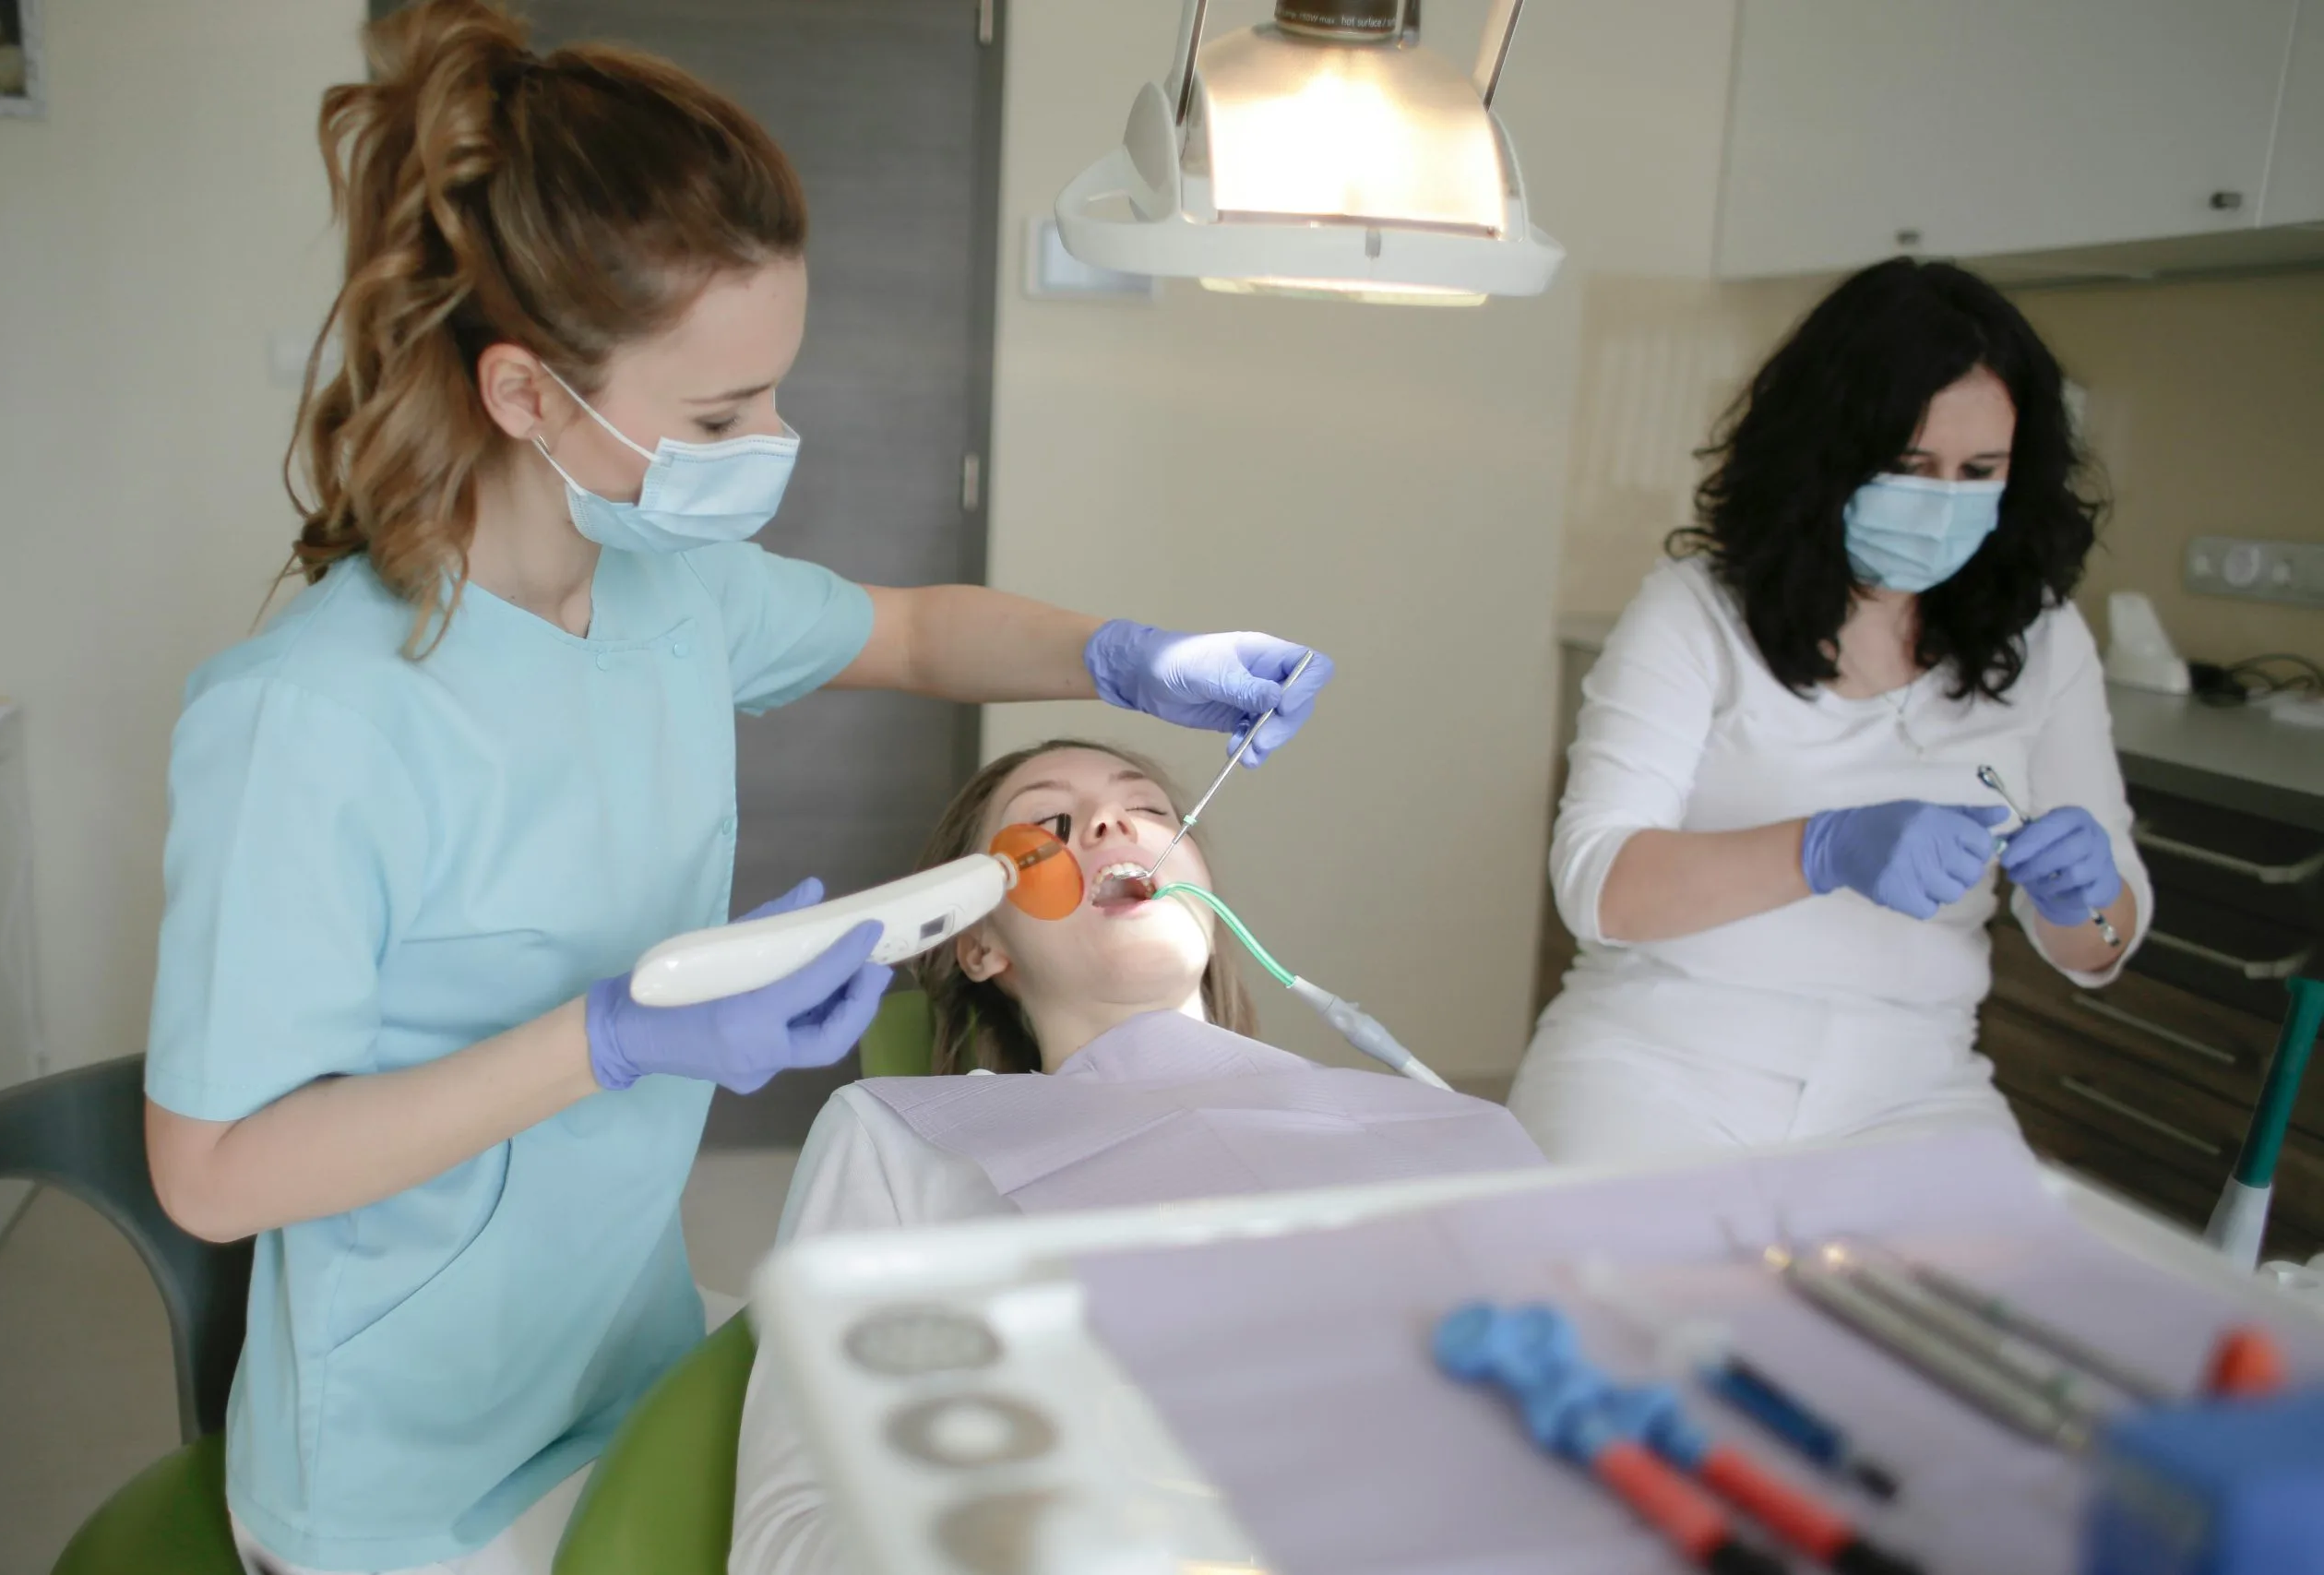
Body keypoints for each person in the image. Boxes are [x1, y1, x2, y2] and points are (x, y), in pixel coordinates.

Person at [138, 7, 1334, 1574]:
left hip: (617, 1350)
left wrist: (1124, 656)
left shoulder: (670, 596)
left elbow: (909, 630)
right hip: (407, 1471)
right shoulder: (313, 716)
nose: (771, 441)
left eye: (771, 390)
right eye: (718, 417)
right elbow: (216, 1172)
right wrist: (613, 1036)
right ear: (525, 396)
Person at [729, 741, 1543, 1573]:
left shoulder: (1436, 1121)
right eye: (1050, 820)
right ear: (980, 943)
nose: (1111, 821)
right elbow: (790, 1532)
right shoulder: (903, 1135)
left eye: (1150, 809)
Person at [1509, 257, 2150, 1166]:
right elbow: (1597, 883)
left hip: (1916, 1089)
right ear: (1827, 453)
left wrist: (2084, 898)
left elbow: (2100, 946)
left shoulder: (2043, 639)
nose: (1942, 501)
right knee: (1623, 1297)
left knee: (1986, 1304)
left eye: (1979, 471)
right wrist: (1824, 848)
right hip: (1659, 1063)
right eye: (1907, 464)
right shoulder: (1697, 609)